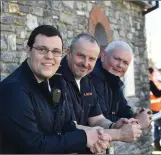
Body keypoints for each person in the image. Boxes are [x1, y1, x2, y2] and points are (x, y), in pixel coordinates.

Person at [0, 25, 111, 154]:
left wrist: (96, 137)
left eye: (56, 51)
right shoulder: (14, 90)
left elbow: (65, 126)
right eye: (42, 49)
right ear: (28, 51)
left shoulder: (56, 82)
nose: (50, 56)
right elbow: (34, 146)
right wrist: (84, 138)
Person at [58, 33, 143, 146]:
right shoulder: (56, 78)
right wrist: (118, 133)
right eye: (81, 56)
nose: (86, 63)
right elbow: (67, 126)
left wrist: (114, 125)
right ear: (68, 52)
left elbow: (97, 119)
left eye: (92, 58)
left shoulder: (86, 78)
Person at [91, 40, 152, 129]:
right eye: (117, 59)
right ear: (104, 55)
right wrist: (138, 123)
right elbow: (102, 120)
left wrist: (135, 115)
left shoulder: (113, 79)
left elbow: (123, 109)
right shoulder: (94, 77)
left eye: (125, 63)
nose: (120, 65)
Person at [149, 67, 161, 151]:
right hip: (153, 109)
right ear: (151, 73)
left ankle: (157, 146)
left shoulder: (152, 81)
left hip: (155, 109)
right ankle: (154, 140)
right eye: (153, 73)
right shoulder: (149, 81)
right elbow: (157, 94)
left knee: (156, 128)